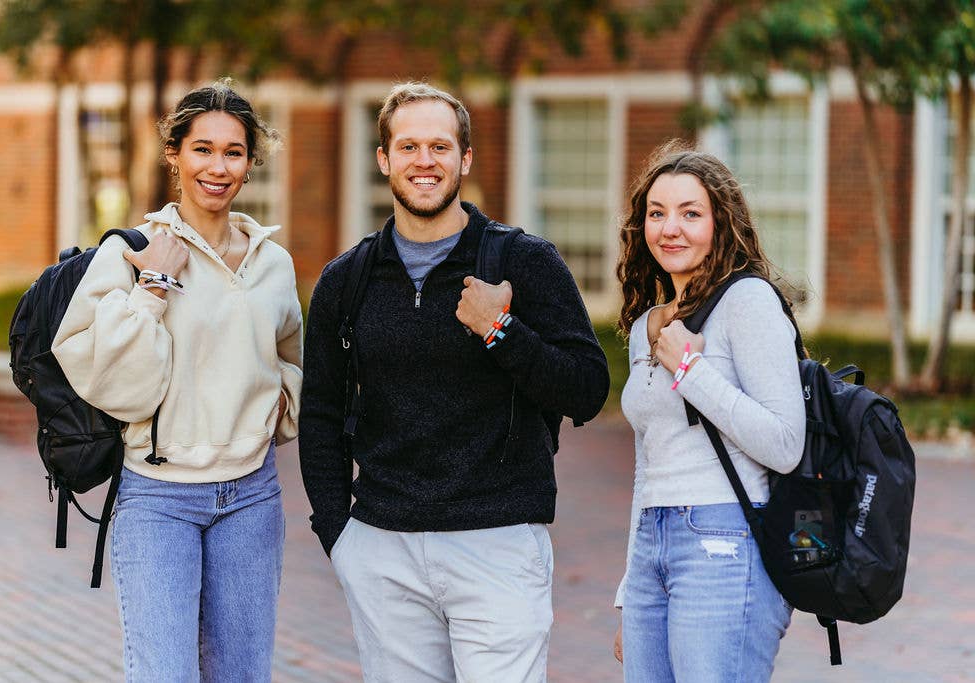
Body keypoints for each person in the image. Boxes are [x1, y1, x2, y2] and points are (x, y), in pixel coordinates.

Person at [299, 81, 610, 682]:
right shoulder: (346, 281)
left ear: (465, 159)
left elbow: (588, 390)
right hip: (382, 546)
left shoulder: (523, 262)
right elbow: (320, 416)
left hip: (496, 543)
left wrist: (502, 331)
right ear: (384, 159)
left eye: (440, 147)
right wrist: (339, 533)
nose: (424, 161)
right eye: (408, 146)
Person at [52, 80, 301, 682]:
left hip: (252, 495)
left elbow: (291, 356)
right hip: (158, 499)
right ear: (175, 156)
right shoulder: (133, 254)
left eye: (234, 152)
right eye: (202, 149)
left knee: (241, 676)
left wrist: (274, 412)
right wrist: (153, 289)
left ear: (250, 162)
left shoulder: (273, 262)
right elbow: (106, 377)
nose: (218, 167)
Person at [612, 142, 805, 682]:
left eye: (690, 213)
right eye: (657, 213)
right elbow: (647, 464)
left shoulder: (749, 302)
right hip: (654, 542)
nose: (670, 228)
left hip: (725, 541)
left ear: (722, 223)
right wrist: (632, 586)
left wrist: (691, 373)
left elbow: (786, 444)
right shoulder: (647, 326)